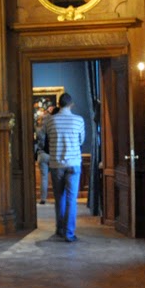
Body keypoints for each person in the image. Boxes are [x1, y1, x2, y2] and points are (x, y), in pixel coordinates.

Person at [43, 92, 86, 241]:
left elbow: (47, 139)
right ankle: (69, 233)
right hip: (73, 163)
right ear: (71, 104)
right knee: (71, 199)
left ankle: (60, 229)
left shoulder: (49, 121)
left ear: (58, 104)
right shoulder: (78, 120)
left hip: (56, 164)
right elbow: (81, 141)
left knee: (59, 198)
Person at [33, 109, 50, 204]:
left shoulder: (38, 129)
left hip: (42, 154)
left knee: (44, 178)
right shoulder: (52, 128)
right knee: (58, 177)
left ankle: (43, 198)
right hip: (53, 154)